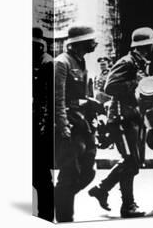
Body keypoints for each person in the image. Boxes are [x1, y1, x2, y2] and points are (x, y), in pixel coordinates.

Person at [88, 27, 153, 217]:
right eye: (151, 44)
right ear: (145, 45)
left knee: (134, 162)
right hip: (121, 118)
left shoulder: (139, 63)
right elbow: (110, 86)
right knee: (131, 161)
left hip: (134, 117)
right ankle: (126, 205)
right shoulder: (127, 62)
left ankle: (103, 190)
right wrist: (136, 83)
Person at [54, 25, 100, 222]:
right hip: (69, 124)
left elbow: (81, 95)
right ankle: (65, 217)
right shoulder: (61, 63)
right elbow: (58, 99)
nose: (94, 43)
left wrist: (93, 107)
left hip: (82, 123)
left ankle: (61, 198)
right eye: (91, 40)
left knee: (88, 171)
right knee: (69, 172)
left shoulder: (80, 62)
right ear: (80, 42)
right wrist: (63, 127)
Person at [32, 27, 54, 221]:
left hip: (38, 128)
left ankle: (45, 217)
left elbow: (48, 101)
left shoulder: (47, 64)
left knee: (41, 178)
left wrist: (43, 128)